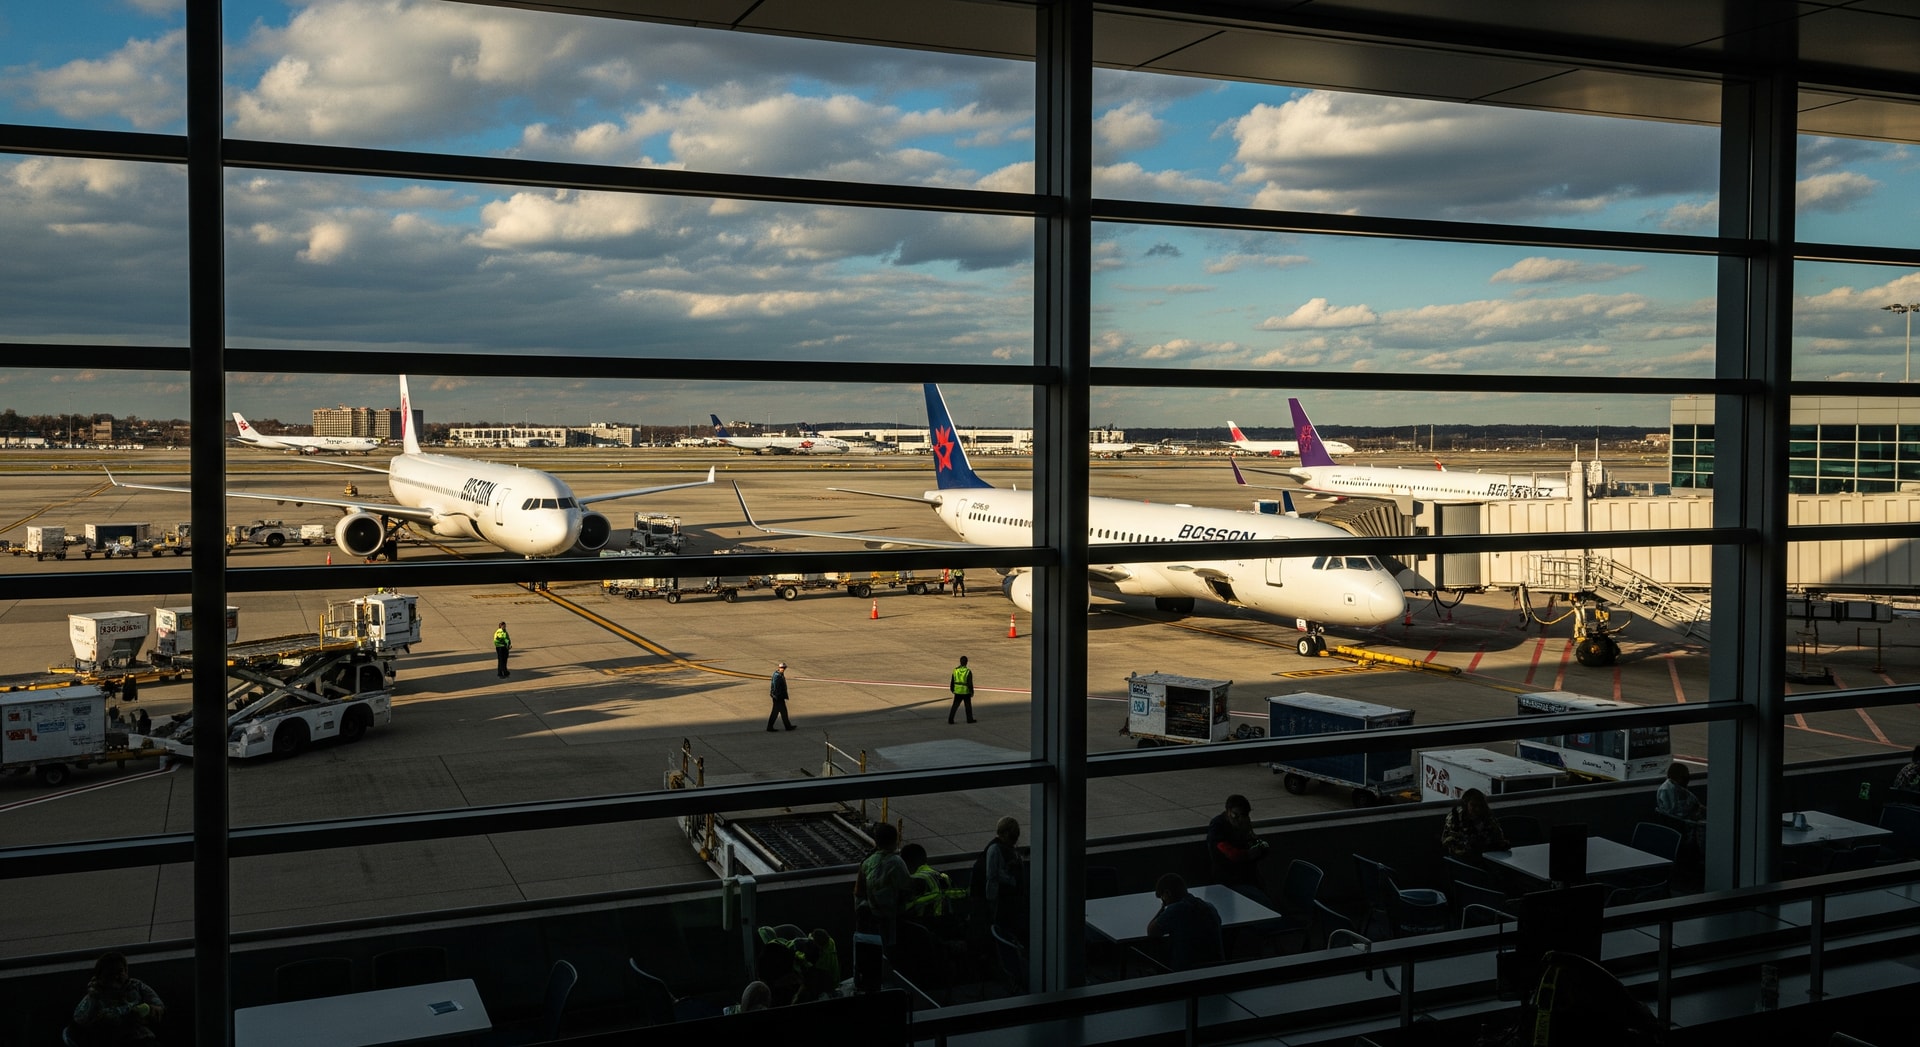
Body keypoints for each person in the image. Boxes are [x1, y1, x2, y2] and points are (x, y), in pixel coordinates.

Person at [72, 951, 164, 1044]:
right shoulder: (95, 994)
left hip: (141, 1037)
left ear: (126, 971)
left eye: (120, 971)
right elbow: (80, 1019)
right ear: (100, 977)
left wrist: (150, 1011)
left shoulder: (136, 985)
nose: (116, 976)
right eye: (110, 973)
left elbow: (157, 1004)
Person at [1146, 873, 1224, 971]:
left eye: (1162, 897)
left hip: (1187, 971)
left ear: (1167, 893)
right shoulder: (1209, 907)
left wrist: (1162, 908)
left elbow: (1151, 931)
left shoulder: (1175, 910)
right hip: (1215, 968)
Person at [857, 823, 914, 946]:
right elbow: (907, 888)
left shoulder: (867, 862)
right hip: (892, 917)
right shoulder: (896, 862)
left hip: (872, 916)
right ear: (895, 841)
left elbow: (858, 892)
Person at [1206, 794, 1270, 889]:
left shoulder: (1242, 824)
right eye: (1236, 815)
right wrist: (1249, 853)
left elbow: (1254, 841)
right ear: (1228, 812)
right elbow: (1230, 853)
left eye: (1243, 815)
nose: (1239, 819)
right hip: (1227, 879)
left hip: (1246, 876)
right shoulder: (1218, 826)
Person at [983, 815, 1026, 935]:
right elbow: (992, 876)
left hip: (1007, 899)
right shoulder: (997, 849)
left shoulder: (1004, 849)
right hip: (1002, 899)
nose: (1014, 842)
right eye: (1013, 838)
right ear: (1006, 834)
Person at [1441, 788, 1510, 859]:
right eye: (1473, 805)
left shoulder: (1487, 817)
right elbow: (1447, 842)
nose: (1477, 809)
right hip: (1463, 859)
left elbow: (1498, 837)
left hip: (1488, 855)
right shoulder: (1455, 818)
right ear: (1466, 803)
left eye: (1480, 806)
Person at [948, 655, 977, 724]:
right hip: (965, 691)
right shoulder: (968, 671)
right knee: (968, 706)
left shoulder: (955, 670)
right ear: (966, 662)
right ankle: (969, 719)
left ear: (960, 662)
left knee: (954, 706)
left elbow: (952, 680)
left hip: (957, 691)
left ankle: (950, 719)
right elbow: (970, 683)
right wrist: (972, 691)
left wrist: (952, 689)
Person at [766, 662, 794, 731]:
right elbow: (775, 687)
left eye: (784, 668)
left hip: (779, 696)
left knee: (783, 712)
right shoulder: (777, 676)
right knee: (776, 713)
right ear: (779, 668)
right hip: (778, 697)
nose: (783, 669)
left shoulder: (780, 674)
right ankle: (770, 727)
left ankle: (787, 726)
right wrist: (777, 696)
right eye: (782, 668)